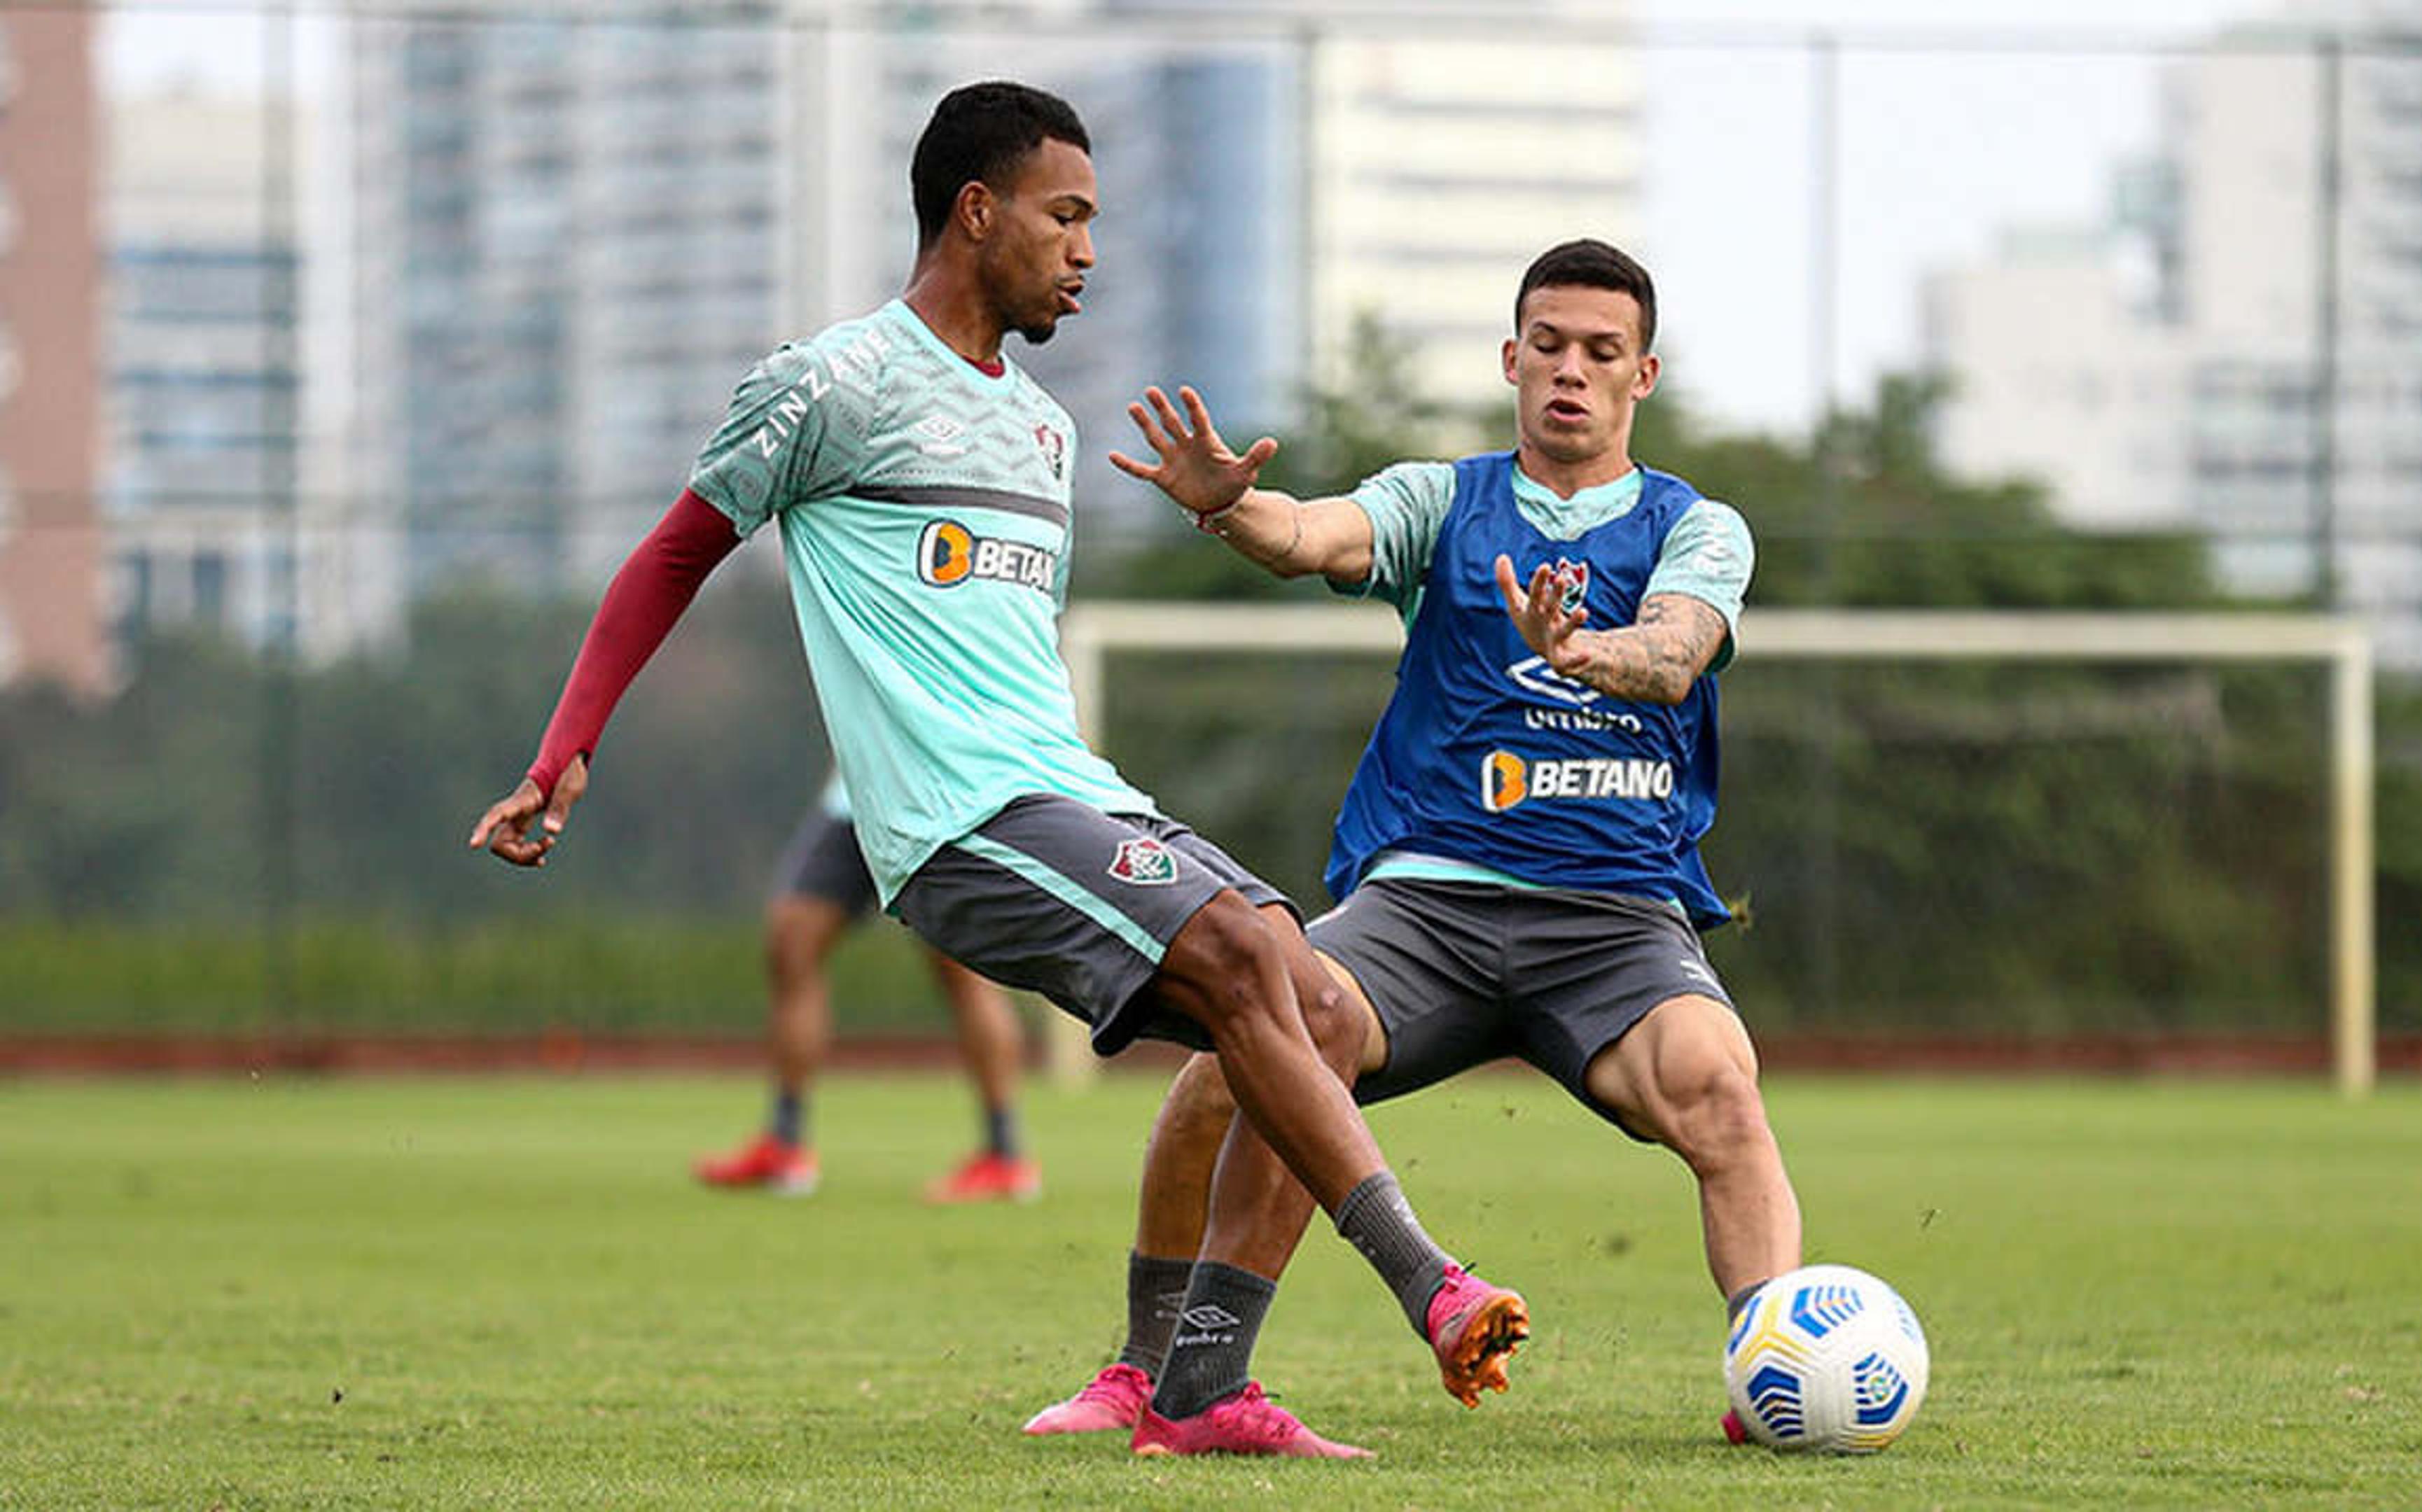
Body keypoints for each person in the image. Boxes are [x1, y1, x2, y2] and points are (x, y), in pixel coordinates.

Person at [464, 80, 1525, 1455]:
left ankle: (1187, 1389)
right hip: (959, 825)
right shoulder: (830, 383)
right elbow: (673, 555)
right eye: (1066, 216)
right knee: (1245, 959)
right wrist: (566, 750)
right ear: (978, 211)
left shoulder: (1040, 431)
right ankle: (1429, 1284)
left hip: (1076, 795)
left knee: (1304, 992)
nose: (1088, 252)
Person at [1022, 239, 1801, 1454]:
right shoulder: (1442, 500)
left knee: (1720, 1086)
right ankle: (1147, 1372)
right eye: (1548, 344)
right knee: (1244, 1046)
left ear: (1642, 374)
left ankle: (1776, 1373)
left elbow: (1680, 646)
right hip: (1425, 908)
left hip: (1615, 921)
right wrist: (1234, 506)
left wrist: (1589, 653)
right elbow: (1313, 534)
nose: (1571, 372)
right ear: (1510, 358)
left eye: (1601, 352)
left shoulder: (1696, 528)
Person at [692, 769, 1041, 1202]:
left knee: (960, 965)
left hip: (940, 798)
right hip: (857, 797)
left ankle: (1004, 1154)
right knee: (791, 941)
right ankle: (784, 1142)